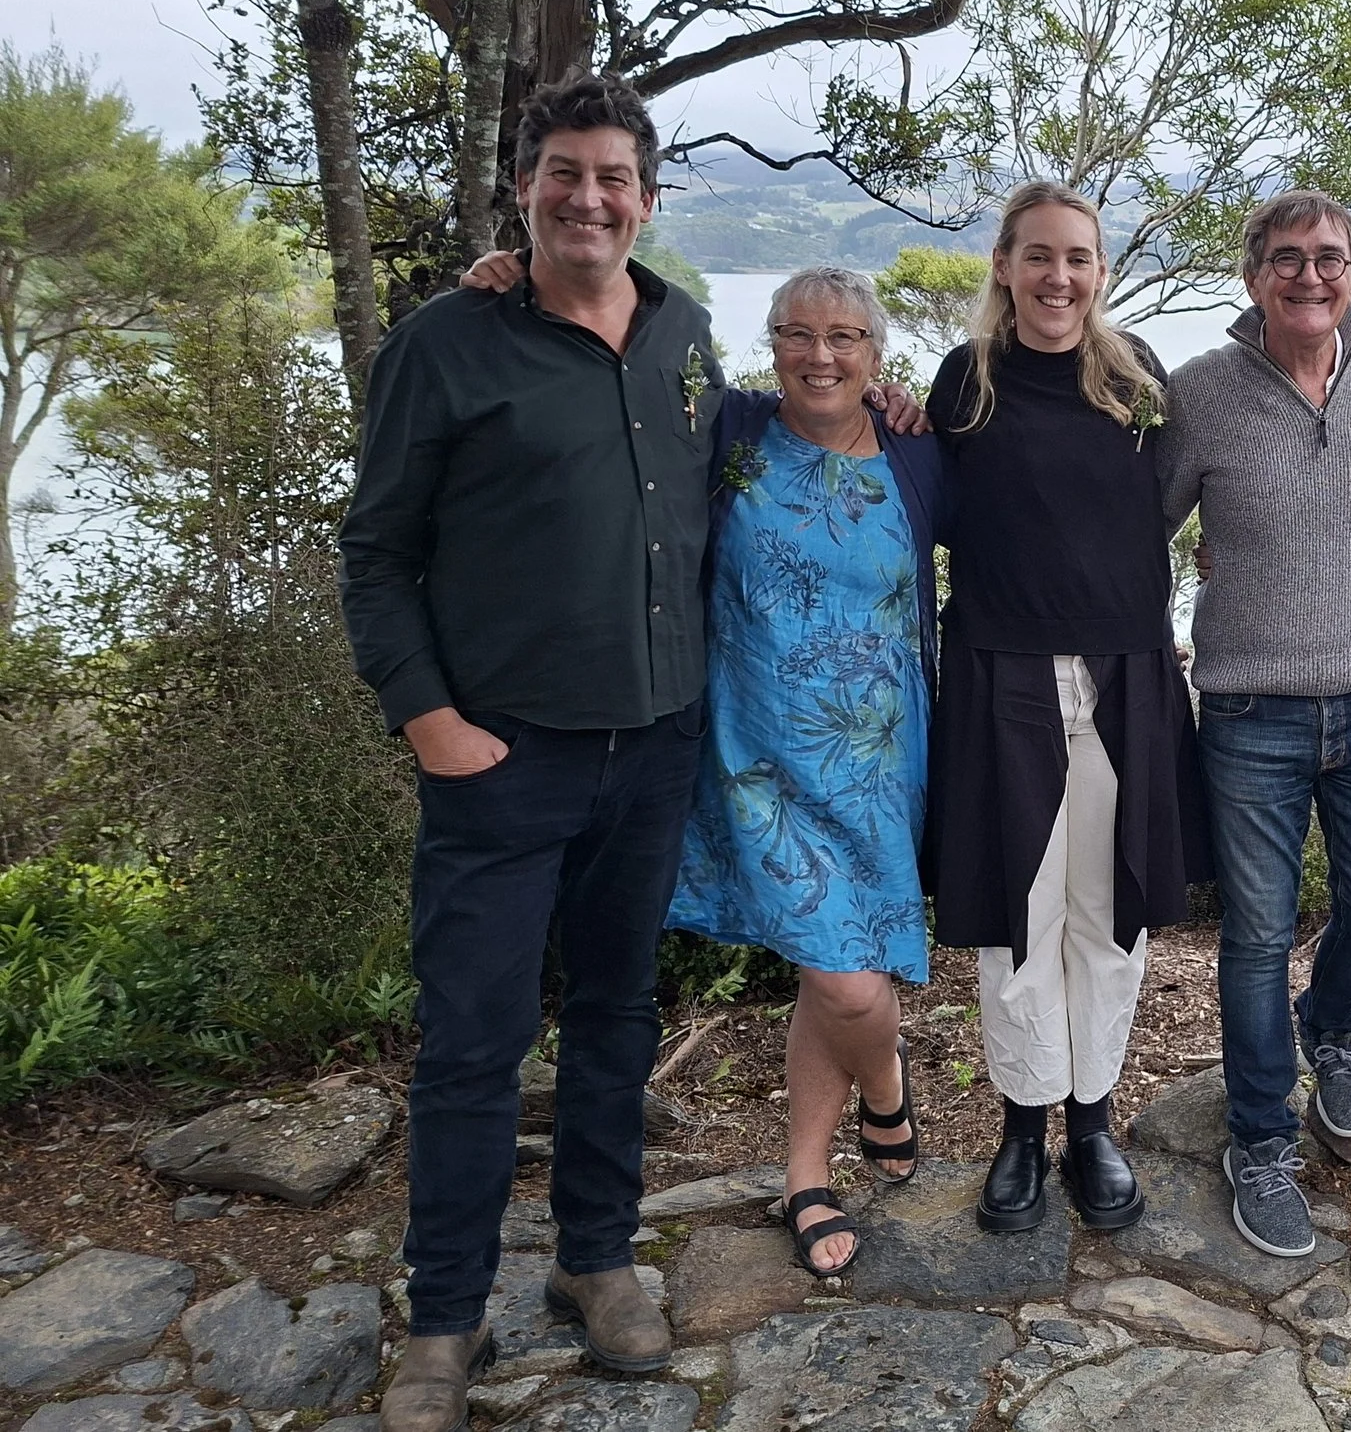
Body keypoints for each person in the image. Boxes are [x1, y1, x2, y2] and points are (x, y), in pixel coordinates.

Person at [342, 74, 715, 1430]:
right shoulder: (447, 342)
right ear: (526, 185)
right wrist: (430, 719)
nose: (589, 196)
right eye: (565, 171)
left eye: (614, 175)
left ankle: (596, 1256)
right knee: (473, 1042)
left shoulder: (685, 328)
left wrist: (884, 405)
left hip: (656, 742)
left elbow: (721, 476)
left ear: (648, 197)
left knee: (617, 1016)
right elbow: (376, 553)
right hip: (501, 760)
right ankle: (444, 1316)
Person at [923, 181, 1206, 1237]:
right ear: (1003, 265)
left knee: (1109, 911)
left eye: (1078, 257)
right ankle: (1020, 1128)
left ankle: (1092, 1125)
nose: (1059, 277)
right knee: (1017, 916)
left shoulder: (1137, 380)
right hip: (1002, 679)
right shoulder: (966, 384)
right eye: (1038, 256)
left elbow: (1188, 502)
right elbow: (913, 491)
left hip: (1127, 676)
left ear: (1100, 268)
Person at [1159, 188, 1351, 1259]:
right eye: (1285, 258)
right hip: (1250, 712)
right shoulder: (1199, 393)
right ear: (1251, 271)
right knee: (1256, 940)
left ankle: (1331, 1028)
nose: (1308, 276)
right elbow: (1138, 525)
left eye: (1329, 258)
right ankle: (1259, 1139)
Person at [672, 266, 942, 1276]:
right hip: (756, 759)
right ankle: (885, 1093)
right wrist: (505, 282)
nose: (819, 355)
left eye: (844, 338)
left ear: (877, 355)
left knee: (832, 980)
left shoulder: (918, 458)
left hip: (880, 764)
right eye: (797, 334)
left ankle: (805, 1178)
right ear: (771, 344)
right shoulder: (727, 437)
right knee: (847, 980)